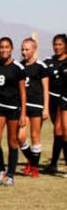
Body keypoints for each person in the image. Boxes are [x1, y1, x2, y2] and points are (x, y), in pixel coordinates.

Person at [0, 37, 27, 186]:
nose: (4, 50)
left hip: (14, 109)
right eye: (1, 47)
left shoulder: (18, 68)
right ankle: (1, 169)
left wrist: (23, 113)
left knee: (12, 143)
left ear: (12, 49)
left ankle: (11, 175)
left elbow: (23, 93)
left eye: (7, 47)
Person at [18, 38, 50, 177]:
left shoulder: (41, 67)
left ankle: (34, 168)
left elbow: (45, 89)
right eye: (22, 49)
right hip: (23, 106)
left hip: (37, 106)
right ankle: (32, 161)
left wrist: (46, 108)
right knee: (20, 137)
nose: (24, 52)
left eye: (27, 49)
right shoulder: (19, 66)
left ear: (34, 49)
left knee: (35, 136)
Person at [43, 34, 67, 173]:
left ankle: (54, 163)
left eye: (60, 44)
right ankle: (53, 164)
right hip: (52, 101)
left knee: (62, 131)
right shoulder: (48, 61)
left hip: (64, 100)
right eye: (55, 44)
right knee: (58, 132)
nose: (57, 47)